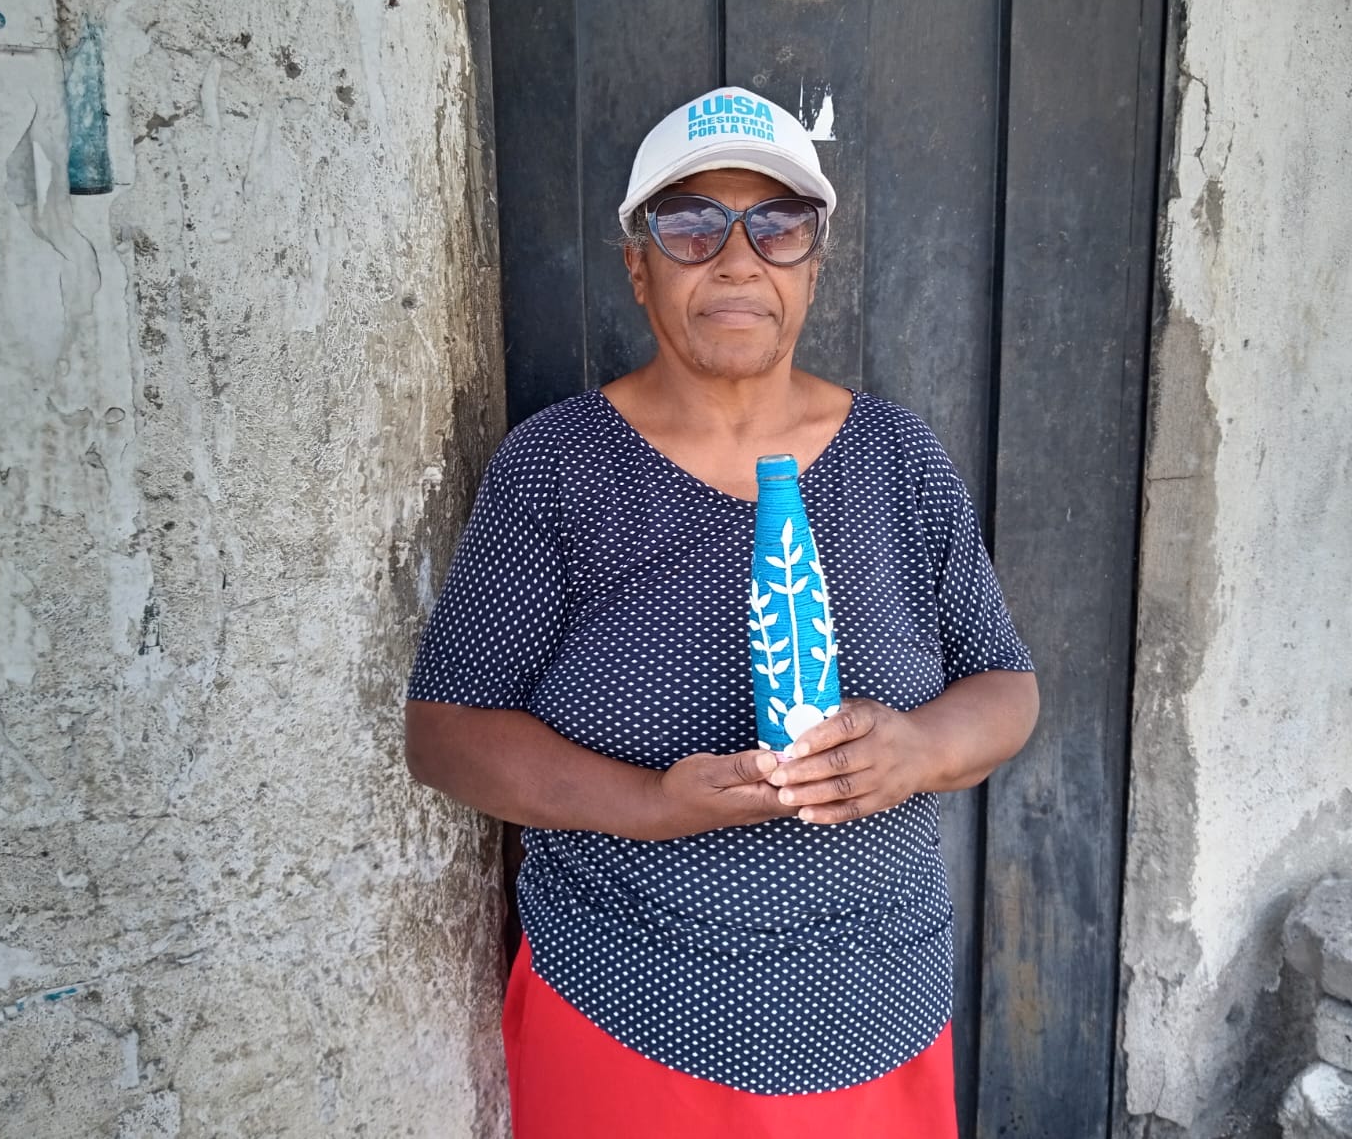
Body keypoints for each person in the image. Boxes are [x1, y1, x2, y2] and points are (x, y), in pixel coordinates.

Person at [405, 86, 1039, 1138]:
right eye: (692, 224)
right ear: (637, 266)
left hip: (875, 1013)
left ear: (813, 264)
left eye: (777, 226)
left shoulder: (898, 459)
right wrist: (650, 803)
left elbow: (1005, 686)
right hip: (624, 1010)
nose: (739, 259)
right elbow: (446, 733)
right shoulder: (557, 467)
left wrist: (920, 749)